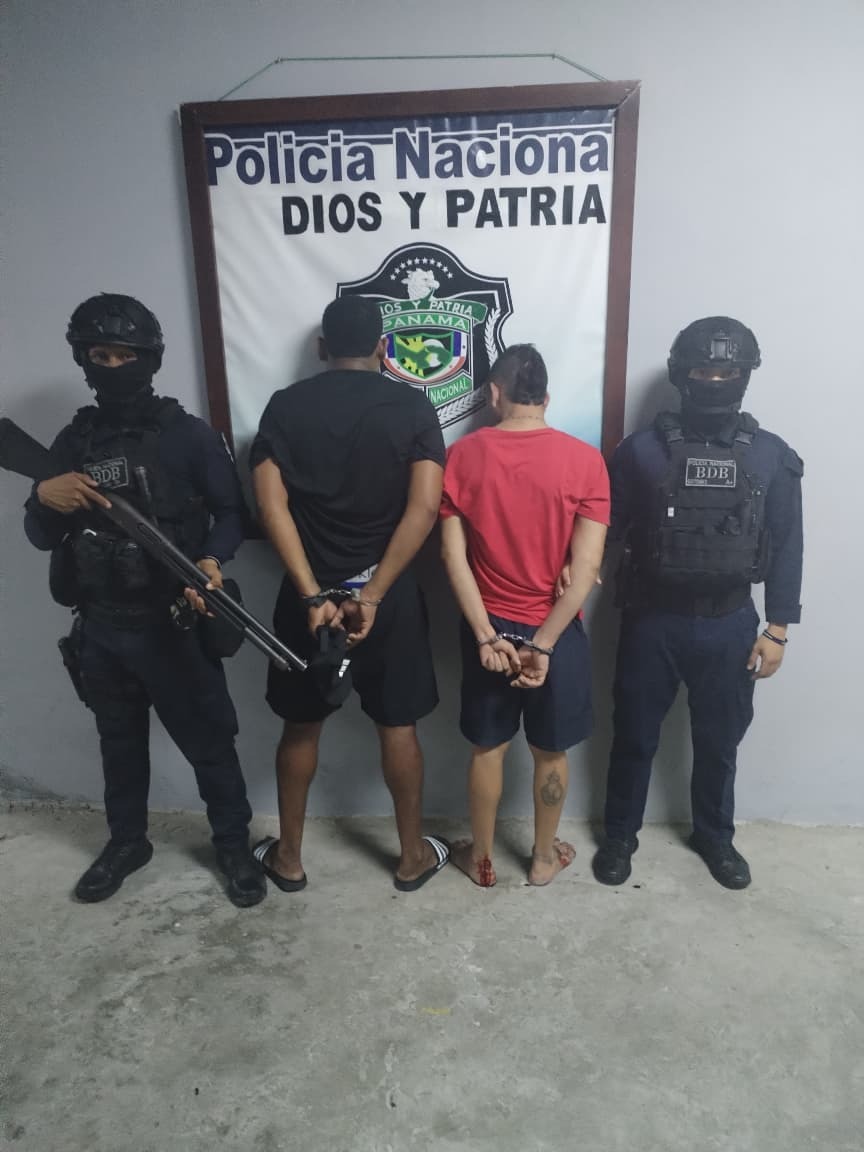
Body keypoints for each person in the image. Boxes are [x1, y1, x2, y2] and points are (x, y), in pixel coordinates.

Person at [23, 293, 266, 907]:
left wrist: (210, 561)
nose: (111, 366)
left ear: (149, 358)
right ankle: (127, 842)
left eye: (123, 355)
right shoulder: (73, 441)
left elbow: (231, 514)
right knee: (119, 742)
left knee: (210, 744)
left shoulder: (188, 436)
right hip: (101, 626)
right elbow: (40, 535)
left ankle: (232, 844)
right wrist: (43, 496)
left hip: (173, 623)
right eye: (99, 355)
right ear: (83, 359)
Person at [592, 317, 804, 890]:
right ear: (681, 373)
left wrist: (778, 628)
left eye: (727, 370)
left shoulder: (770, 454)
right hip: (651, 620)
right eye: (704, 369)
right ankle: (620, 835)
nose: (715, 380)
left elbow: (787, 544)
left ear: (745, 375)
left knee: (719, 743)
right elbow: (604, 529)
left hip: (730, 621)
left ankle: (715, 837)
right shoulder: (639, 451)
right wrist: (575, 578)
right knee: (634, 736)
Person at [250, 295, 450, 893]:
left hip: (307, 598)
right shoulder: (412, 405)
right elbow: (425, 508)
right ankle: (412, 858)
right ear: (384, 349)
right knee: (398, 726)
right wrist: (374, 593)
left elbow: (270, 506)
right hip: (386, 599)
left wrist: (313, 595)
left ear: (322, 348)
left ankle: (288, 859)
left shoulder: (285, 406)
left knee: (300, 726)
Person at [439, 345, 609, 887]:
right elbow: (585, 571)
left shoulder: (462, 456)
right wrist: (544, 644)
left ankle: (481, 860)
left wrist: (485, 635)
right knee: (550, 752)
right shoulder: (585, 461)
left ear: (494, 394)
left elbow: (453, 559)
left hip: (489, 629)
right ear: (546, 399)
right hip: (555, 635)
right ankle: (541, 860)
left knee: (487, 749)